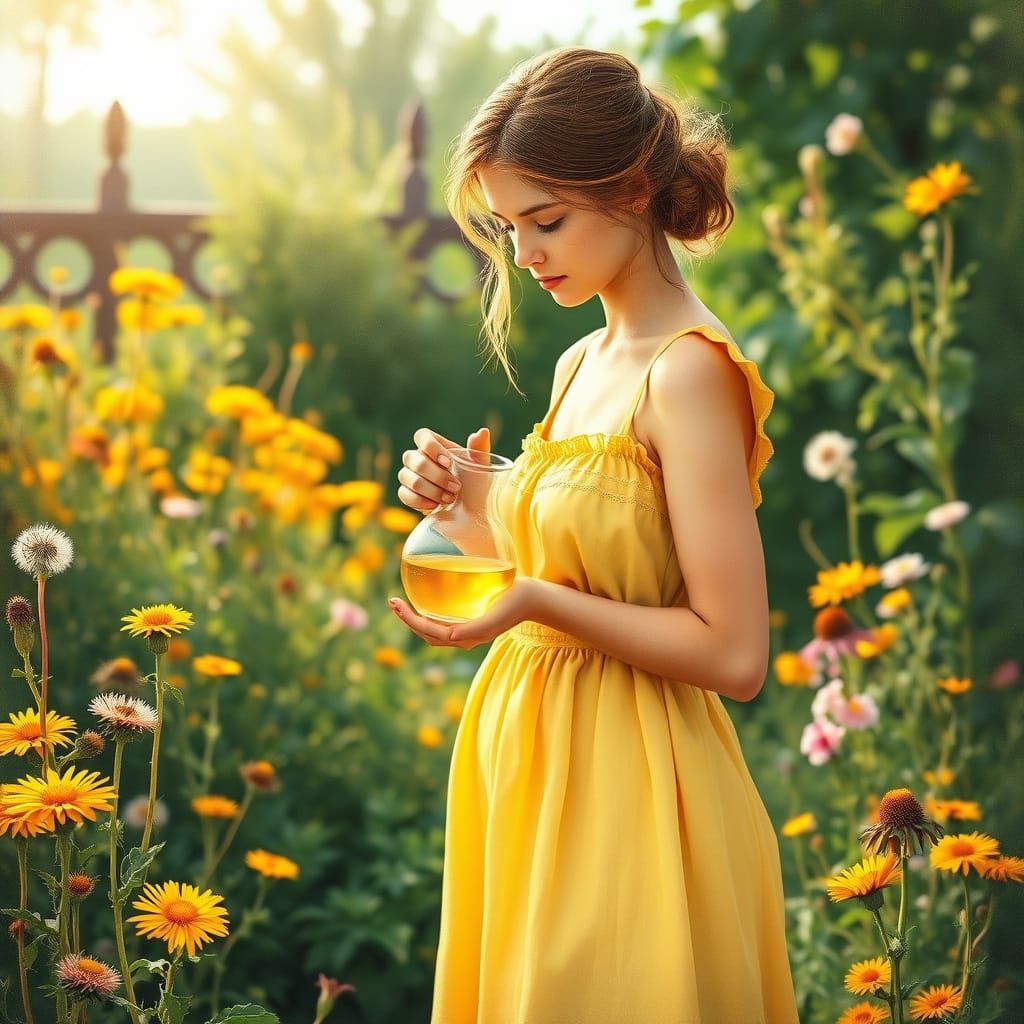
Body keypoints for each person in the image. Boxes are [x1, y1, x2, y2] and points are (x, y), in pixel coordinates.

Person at [389, 46, 801, 1024]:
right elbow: (588, 559)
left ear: (634, 190)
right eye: (508, 228)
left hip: (633, 782)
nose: (525, 255)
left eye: (546, 221)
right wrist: (467, 507)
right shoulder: (580, 361)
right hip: (529, 764)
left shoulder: (686, 372)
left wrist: (534, 599)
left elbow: (734, 653)